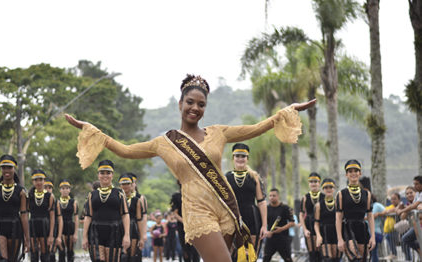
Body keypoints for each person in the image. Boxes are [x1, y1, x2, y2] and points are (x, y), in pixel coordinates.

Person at [65, 74, 315, 262]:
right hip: (196, 211)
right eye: (191, 102)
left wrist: (286, 111)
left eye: (201, 104)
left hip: (225, 207)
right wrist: (92, 130)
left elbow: (258, 128)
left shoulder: (218, 132)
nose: (195, 108)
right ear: (180, 103)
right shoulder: (163, 143)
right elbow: (126, 150)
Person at [0, 154, 30, 262]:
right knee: (1, 260)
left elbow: (24, 216)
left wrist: (27, 239)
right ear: (1, 169)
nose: (6, 170)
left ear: (14, 168)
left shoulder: (21, 192)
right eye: (4, 167)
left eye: (9, 167)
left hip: (15, 228)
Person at [82, 160, 131, 262]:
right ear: (98, 175)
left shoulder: (119, 193)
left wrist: (127, 235)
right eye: (102, 173)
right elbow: (88, 216)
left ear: (112, 175)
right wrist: (84, 237)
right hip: (96, 232)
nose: (105, 176)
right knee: (98, 260)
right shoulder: (92, 195)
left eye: (108, 173)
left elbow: (125, 215)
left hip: (114, 232)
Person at [225, 143, 267, 253]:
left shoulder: (255, 177)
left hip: (252, 217)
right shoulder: (226, 177)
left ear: (247, 158)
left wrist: (264, 225)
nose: (240, 159)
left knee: (252, 254)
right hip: (232, 218)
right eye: (237, 156)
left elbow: (261, 202)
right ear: (233, 158)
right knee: (234, 255)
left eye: (243, 156)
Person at [335, 160, 375, 262]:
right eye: (350, 171)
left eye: (356, 171)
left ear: (360, 173)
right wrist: (339, 239)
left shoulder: (367, 194)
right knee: (354, 258)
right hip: (348, 229)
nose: (353, 173)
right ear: (346, 174)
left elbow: (370, 216)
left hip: (362, 228)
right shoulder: (341, 194)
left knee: (363, 259)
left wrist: (373, 236)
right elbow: (338, 218)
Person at [28, 169, 62, 262]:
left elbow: (52, 217)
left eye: (40, 179)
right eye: (36, 180)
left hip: (45, 227)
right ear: (33, 181)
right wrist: (26, 235)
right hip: (33, 226)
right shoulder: (29, 196)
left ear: (44, 180)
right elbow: (25, 214)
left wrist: (51, 235)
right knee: (34, 255)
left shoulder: (50, 196)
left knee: (45, 254)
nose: (38, 182)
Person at [263, 188, 295, 262]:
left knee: (288, 259)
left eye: (274, 195)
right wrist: (266, 232)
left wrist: (281, 229)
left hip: (283, 239)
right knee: (266, 258)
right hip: (270, 239)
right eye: (270, 196)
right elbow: (263, 223)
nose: (272, 197)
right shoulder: (266, 208)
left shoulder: (285, 208)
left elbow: (292, 223)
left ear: (278, 196)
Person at [119, 173, 145, 261]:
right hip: (119, 229)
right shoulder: (116, 199)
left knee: (132, 256)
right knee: (121, 256)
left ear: (132, 185)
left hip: (133, 229)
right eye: (123, 184)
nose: (125, 186)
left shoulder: (137, 200)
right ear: (120, 185)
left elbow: (139, 220)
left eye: (127, 183)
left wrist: (141, 238)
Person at [314, 178, 341, 262]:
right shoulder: (318, 205)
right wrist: (318, 236)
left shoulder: (338, 203)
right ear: (323, 189)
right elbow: (316, 223)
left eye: (331, 187)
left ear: (334, 188)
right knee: (327, 259)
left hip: (336, 233)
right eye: (326, 187)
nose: (328, 189)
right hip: (324, 234)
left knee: (336, 259)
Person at [170, 187, 200, 262]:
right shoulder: (177, 196)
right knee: (186, 250)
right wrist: (185, 222)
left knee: (196, 250)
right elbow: (175, 213)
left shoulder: (195, 195)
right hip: (182, 227)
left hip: (195, 225)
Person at [300, 172, 324, 262]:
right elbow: (301, 214)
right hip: (309, 225)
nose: (313, 183)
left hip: (321, 225)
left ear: (319, 183)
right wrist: (305, 229)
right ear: (309, 183)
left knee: (320, 253)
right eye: (311, 182)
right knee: (312, 253)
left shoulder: (324, 197)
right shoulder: (305, 197)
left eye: (315, 181)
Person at [58, 180, 78, 262]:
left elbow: (76, 217)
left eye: (67, 188)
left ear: (69, 190)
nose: (65, 190)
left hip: (70, 226)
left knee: (70, 251)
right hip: (60, 227)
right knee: (61, 251)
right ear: (60, 190)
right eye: (63, 188)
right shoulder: (57, 202)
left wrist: (76, 233)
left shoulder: (73, 202)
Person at [44, 178, 64, 262]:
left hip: (53, 230)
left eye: (50, 187)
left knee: (52, 254)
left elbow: (60, 219)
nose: (48, 189)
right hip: (43, 229)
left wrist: (59, 236)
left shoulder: (56, 202)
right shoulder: (40, 200)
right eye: (46, 187)